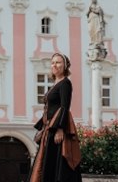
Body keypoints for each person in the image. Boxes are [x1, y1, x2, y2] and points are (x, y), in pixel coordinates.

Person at [30, 53, 81, 182]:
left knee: (55, 164)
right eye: (53, 62)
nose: (55, 65)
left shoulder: (65, 83)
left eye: (58, 62)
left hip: (56, 130)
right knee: (46, 163)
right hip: (49, 129)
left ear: (65, 65)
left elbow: (64, 107)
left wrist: (60, 129)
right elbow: (49, 109)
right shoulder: (55, 84)